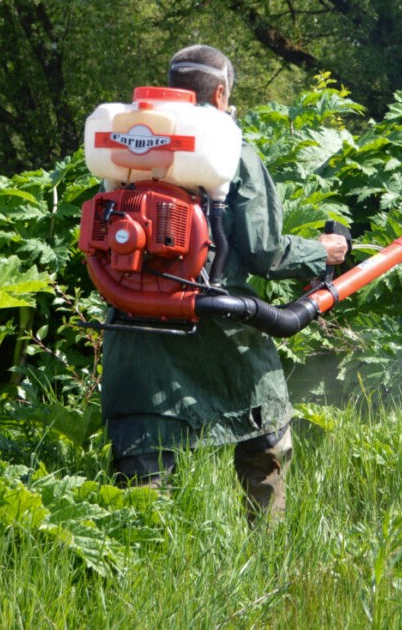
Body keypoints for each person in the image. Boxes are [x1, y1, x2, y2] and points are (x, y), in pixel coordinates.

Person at [99, 44, 348, 522]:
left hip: (134, 324)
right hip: (220, 322)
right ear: (219, 94)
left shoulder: (125, 144)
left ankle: (135, 548)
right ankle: (266, 543)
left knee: (142, 455)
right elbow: (264, 250)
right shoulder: (232, 149)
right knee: (265, 427)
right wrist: (324, 251)